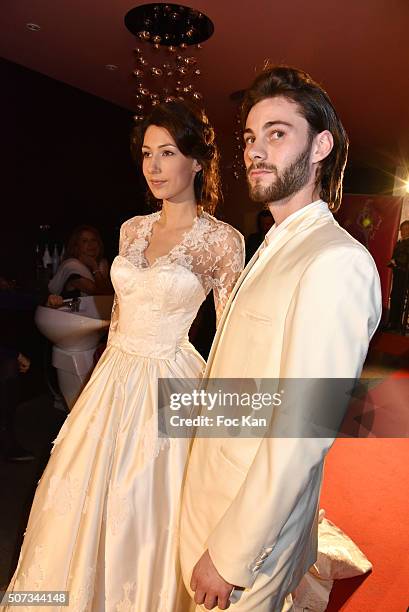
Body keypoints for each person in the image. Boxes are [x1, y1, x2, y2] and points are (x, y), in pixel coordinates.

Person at [4, 100, 244, 611]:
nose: (154, 166)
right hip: (113, 379)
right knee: (78, 506)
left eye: (168, 152)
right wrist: (98, 380)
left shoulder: (222, 242)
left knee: (151, 509)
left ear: (197, 161)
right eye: (147, 154)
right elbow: (118, 321)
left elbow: (230, 338)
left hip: (170, 383)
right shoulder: (131, 229)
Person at [180, 65, 382, 611]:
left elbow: (302, 430)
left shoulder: (336, 260)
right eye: (249, 137)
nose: (255, 151)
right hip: (214, 494)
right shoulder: (273, 244)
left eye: (277, 133)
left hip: (248, 538)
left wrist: (230, 553)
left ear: (320, 146)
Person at [47, 225, 113, 307]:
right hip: (67, 317)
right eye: (84, 241)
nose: (91, 244)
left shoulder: (102, 265)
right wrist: (95, 268)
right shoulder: (72, 267)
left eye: (94, 240)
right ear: (76, 247)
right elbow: (102, 294)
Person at [386, 219, 409, 331]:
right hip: (398, 273)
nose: (404, 232)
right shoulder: (399, 242)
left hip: (405, 276)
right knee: (394, 296)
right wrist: (392, 262)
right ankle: (391, 322)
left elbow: (405, 259)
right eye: (402, 229)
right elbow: (396, 255)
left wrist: (396, 262)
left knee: (400, 298)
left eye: (406, 229)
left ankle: (398, 324)